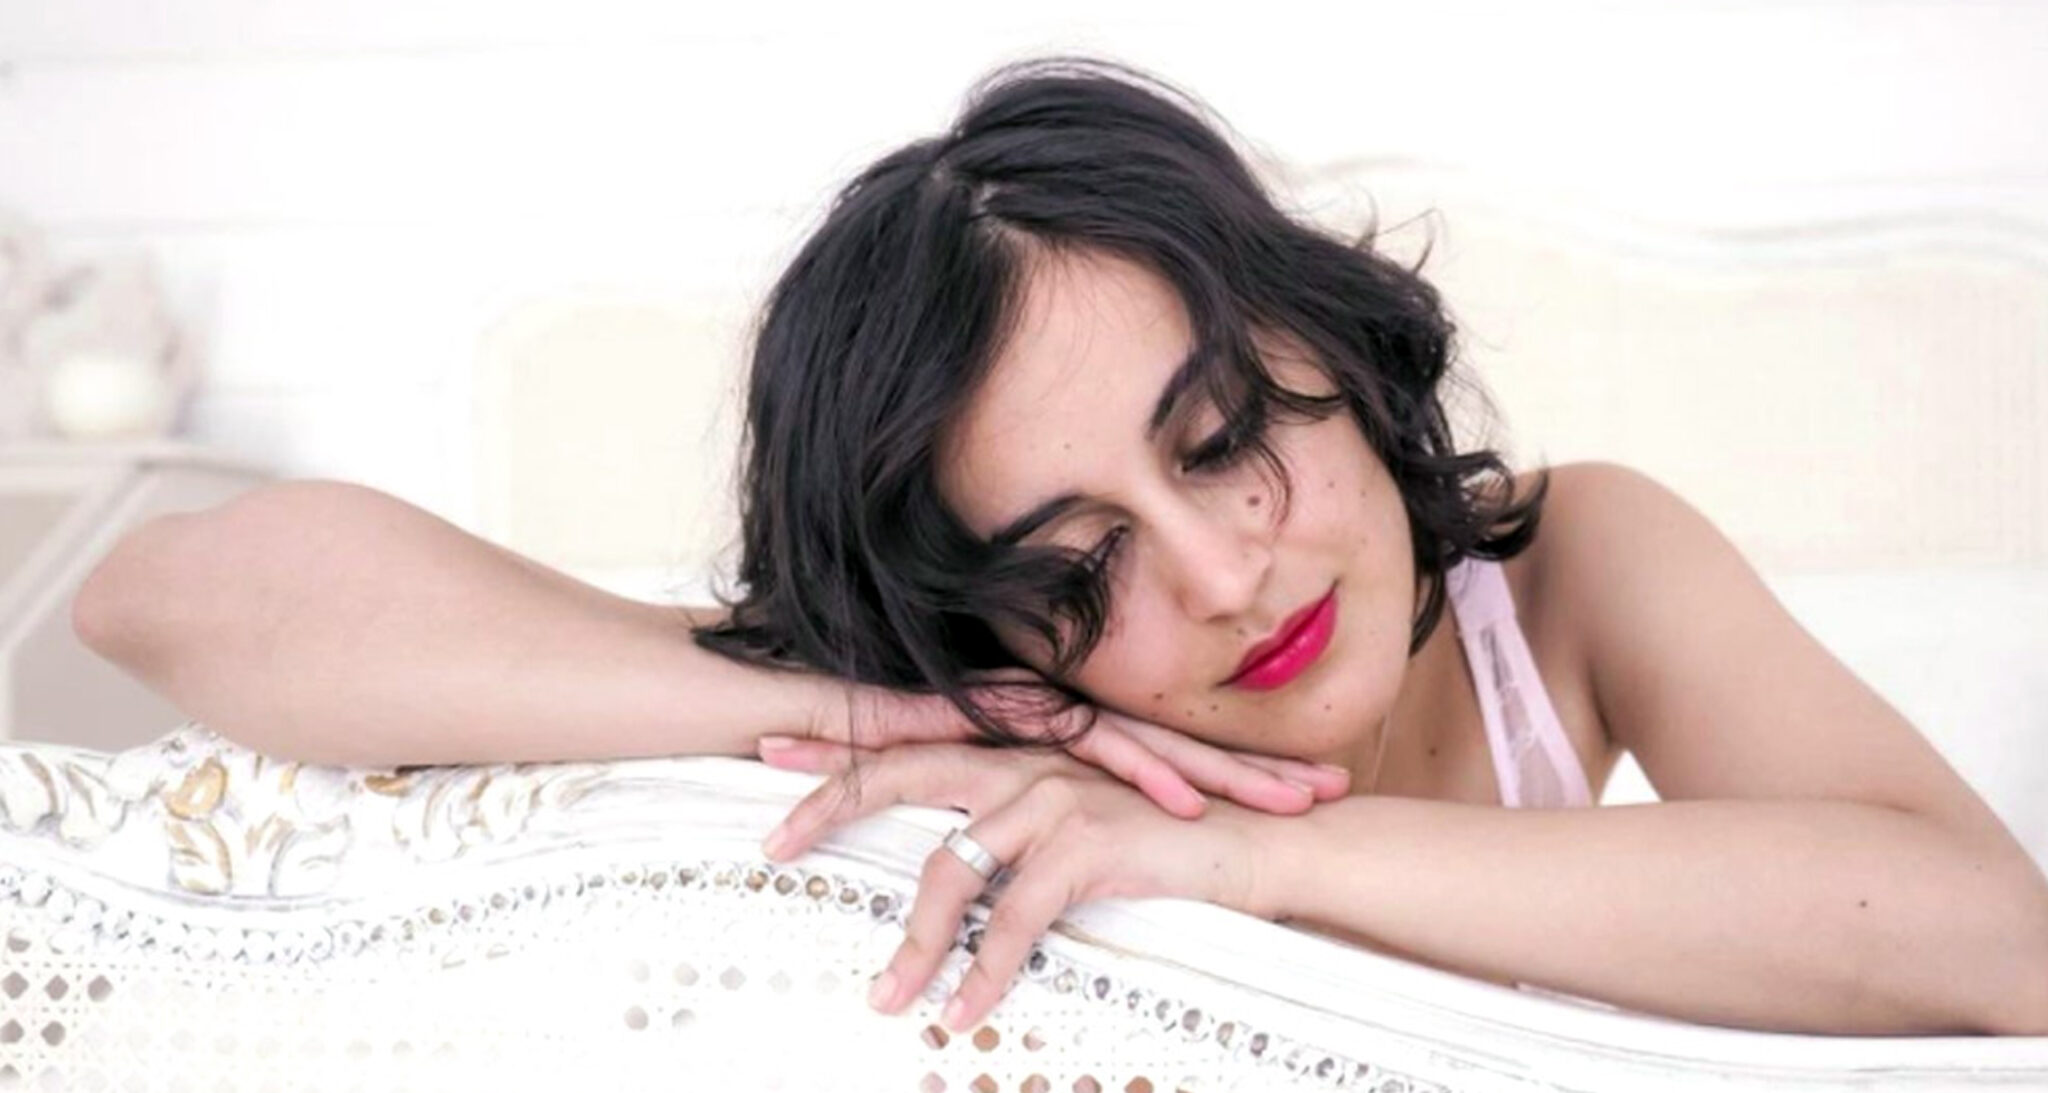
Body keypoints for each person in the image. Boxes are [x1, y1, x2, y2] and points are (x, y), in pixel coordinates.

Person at [71, 57, 2048, 1038]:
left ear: (1329, 346)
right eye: (1074, 564)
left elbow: (1995, 945)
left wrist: (1257, 857)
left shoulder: (1564, 572)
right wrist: (876, 689)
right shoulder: (976, 702)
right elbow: (156, 595)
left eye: (1228, 441)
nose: (1221, 579)